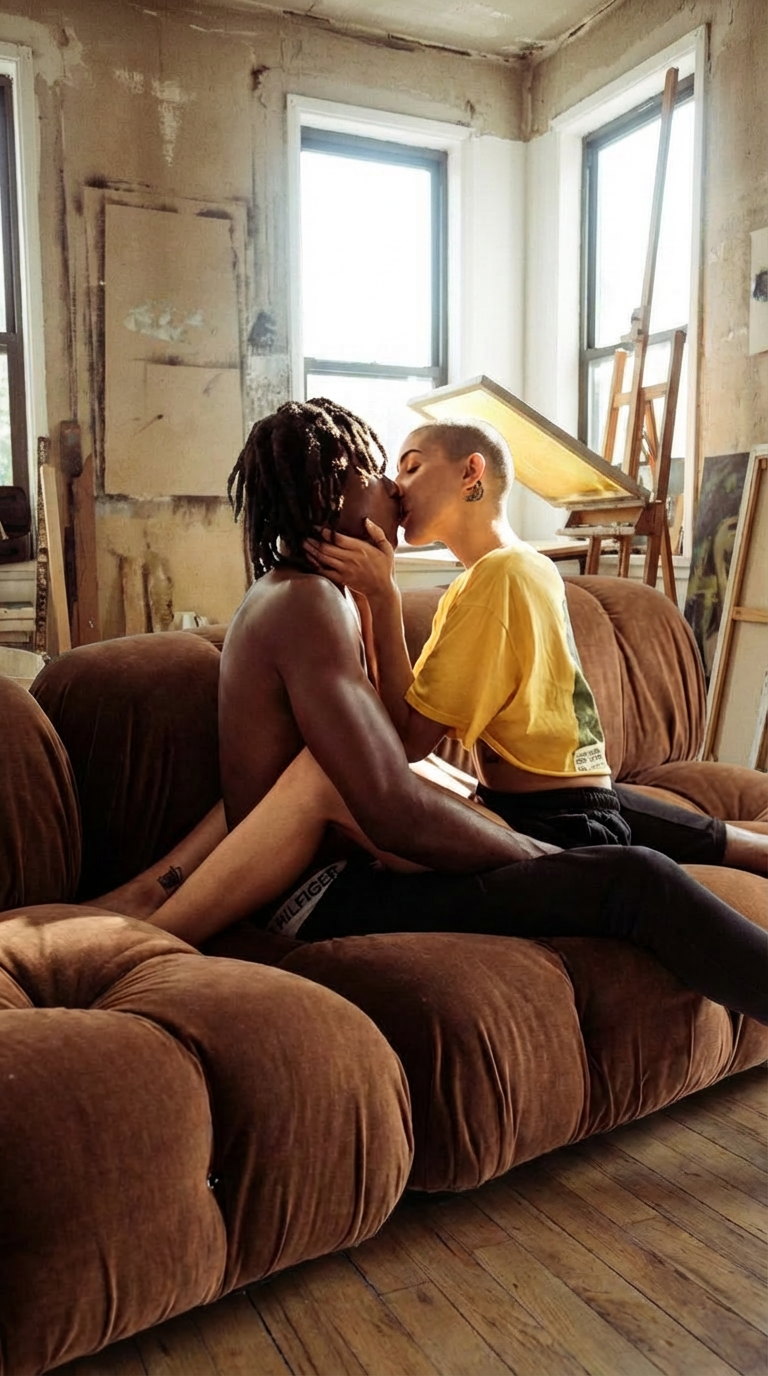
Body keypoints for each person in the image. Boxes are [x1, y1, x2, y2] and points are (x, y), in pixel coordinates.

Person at [96, 397, 768, 1027]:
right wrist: (542, 857)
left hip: (338, 870)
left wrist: (160, 881)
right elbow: (384, 798)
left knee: (598, 813)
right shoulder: (306, 604)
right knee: (637, 876)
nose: (393, 487)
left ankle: (738, 844)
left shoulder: (314, 594)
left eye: (406, 468)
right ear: (331, 490)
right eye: (377, 470)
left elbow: (326, 771)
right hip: (324, 893)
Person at [305, 417, 767, 875]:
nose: (396, 486)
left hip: (556, 822)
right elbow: (412, 714)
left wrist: (383, 597)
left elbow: (406, 739)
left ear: (471, 471)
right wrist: (370, 598)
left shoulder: (497, 579)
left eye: (411, 467)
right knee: (694, 833)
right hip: (572, 801)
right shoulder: (515, 568)